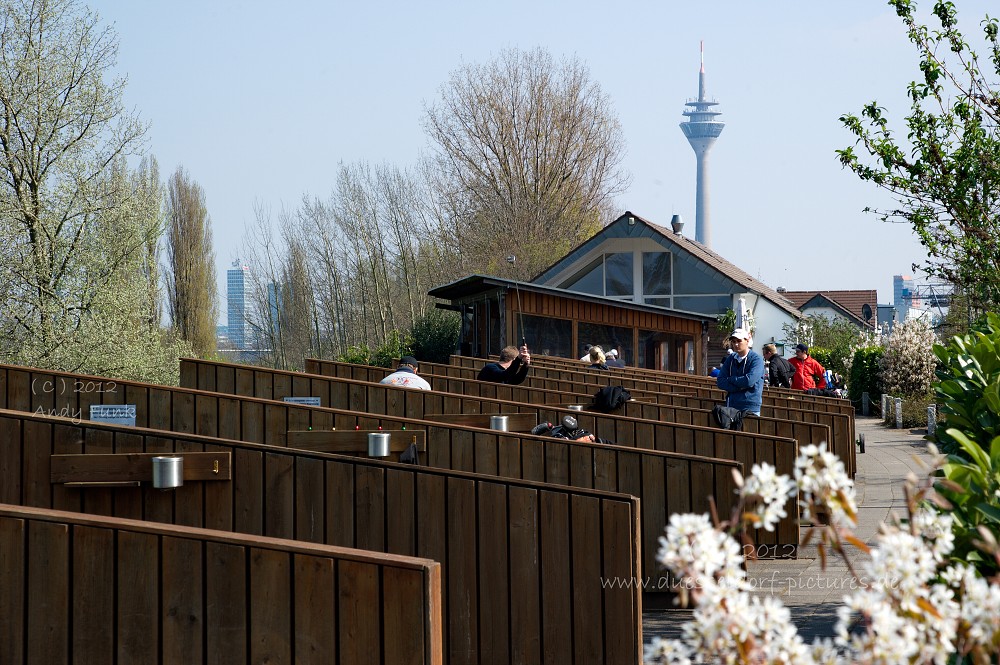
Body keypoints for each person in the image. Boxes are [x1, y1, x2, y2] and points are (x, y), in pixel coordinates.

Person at [715, 328, 765, 416]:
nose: (736, 344)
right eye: (733, 342)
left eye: (739, 341)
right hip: (731, 405)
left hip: (750, 406)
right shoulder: (731, 358)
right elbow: (720, 381)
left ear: (747, 341)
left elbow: (749, 381)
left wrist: (731, 379)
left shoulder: (756, 359)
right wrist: (740, 387)